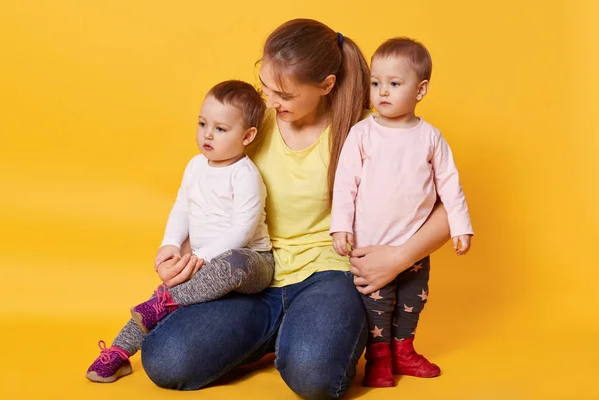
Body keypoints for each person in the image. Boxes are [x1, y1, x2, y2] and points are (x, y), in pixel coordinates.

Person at [142, 20, 451, 399]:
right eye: (266, 87)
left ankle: (302, 335)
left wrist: (397, 258)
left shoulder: (370, 131)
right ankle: (274, 338)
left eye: (284, 95)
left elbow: (448, 209)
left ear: (326, 85)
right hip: (259, 275)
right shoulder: (252, 125)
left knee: (313, 376)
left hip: (331, 277)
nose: (271, 102)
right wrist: (180, 249)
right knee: (165, 360)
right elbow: (206, 193)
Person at [85, 80, 274, 383]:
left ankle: (167, 302)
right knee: (168, 290)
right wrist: (171, 244)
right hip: (201, 264)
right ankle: (121, 352)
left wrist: (199, 257)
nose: (207, 134)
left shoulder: (245, 175)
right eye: (202, 124)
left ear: (248, 135)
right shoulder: (195, 166)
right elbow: (182, 207)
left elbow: (242, 229)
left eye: (220, 129)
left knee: (230, 265)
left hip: (251, 263)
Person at [330, 37, 474, 387]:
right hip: (372, 243)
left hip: (413, 244)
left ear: (420, 89)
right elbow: (345, 182)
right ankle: (378, 357)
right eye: (377, 83)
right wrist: (340, 226)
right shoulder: (363, 133)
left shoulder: (430, 138)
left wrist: (460, 227)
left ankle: (404, 351)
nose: (383, 92)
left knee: (411, 298)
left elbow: (450, 185)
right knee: (377, 303)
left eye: (395, 84)